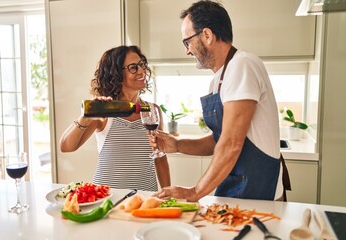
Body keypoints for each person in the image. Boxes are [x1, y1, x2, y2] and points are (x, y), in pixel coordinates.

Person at [152, 0, 290, 201]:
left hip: (258, 190)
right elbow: (219, 140)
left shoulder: (243, 65)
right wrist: (178, 144)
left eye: (187, 41)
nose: (187, 51)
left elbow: (232, 142)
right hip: (236, 187)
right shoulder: (219, 80)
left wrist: (194, 192)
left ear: (207, 35)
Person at [59, 45, 170, 192]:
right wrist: (85, 118)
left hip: (145, 197)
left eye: (141, 64)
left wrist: (169, 193)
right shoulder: (104, 111)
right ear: (116, 74)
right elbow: (66, 147)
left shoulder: (152, 111)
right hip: (107, 198)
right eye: (133, 67)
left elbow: (160, 157)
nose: (142, 70)